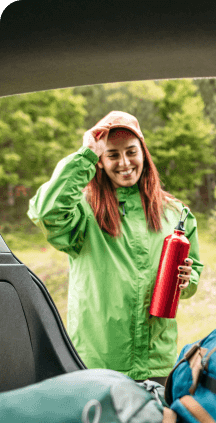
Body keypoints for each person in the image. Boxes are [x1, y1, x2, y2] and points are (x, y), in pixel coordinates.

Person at [28, 111, 203, 384]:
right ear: (100, 161)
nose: (124, 163)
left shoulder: (175, 213)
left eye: (131, 152)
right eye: (112, 155)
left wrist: (186, 279)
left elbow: (193, 275)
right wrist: (85, 154)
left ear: (144, 153)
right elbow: (46, 211)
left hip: (157, 360)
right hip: (97, 360)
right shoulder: (83, 210)